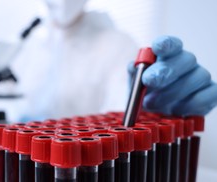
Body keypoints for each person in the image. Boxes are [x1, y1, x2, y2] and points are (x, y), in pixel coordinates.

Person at [12, 0, 217, 119]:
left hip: (87, 173)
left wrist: (145, 107)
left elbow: (120, 108)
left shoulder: (117, 45)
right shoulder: (25, 47)